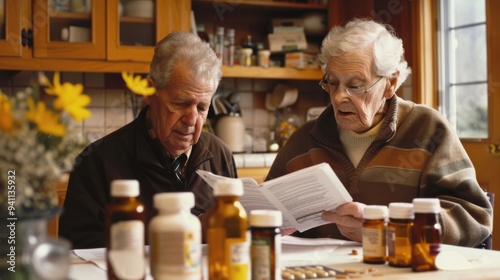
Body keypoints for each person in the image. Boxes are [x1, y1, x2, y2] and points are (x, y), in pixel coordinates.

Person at [266, 18, 493, 247]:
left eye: (355, 85)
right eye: (332, 83)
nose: (338, 97)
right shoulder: (305, 139)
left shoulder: (427, 129)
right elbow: (269, 211)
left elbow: (474, 215)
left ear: (390, 83)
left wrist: (390, 230)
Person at [59, 32, 237, 249]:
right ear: (150, 91)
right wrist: (191, 232)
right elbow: (78, 249)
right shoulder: (96, 162)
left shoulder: (221, 155)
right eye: (181, 103)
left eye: (202, 107)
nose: (192, 120)